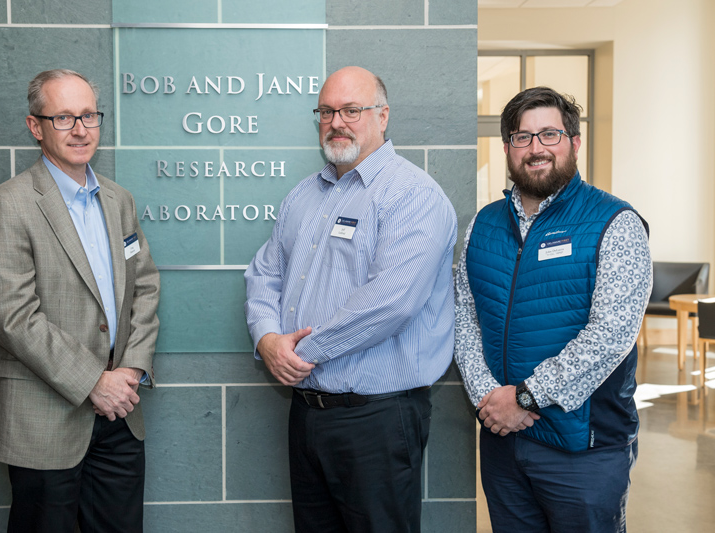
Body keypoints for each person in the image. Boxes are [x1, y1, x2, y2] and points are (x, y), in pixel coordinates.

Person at [244, 66, 457, 533]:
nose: (336, 121)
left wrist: (298, 353)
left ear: (382, 116)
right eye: (326, 111)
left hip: (377, 421)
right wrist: (267, 341)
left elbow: (391, 303)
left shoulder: (413, 196)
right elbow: (263, 274)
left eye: (351, 110)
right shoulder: (304, 195)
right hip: (307, 415)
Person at [454, 86, 652, 532]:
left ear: (574, 143)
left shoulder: (614, 223)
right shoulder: (483, 226)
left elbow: (611, 335)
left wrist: (525, 396)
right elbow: (465, 317)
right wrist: (491, 399)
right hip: (504, 443)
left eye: (549, 134)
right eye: (522, 137)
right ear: (507, 147)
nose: (535, 148)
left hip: (583, 450)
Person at [0, 69, 160, 533]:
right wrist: (94, 381)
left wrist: (130, 371)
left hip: (121, 416)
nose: (81, 129)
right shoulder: (8, 205)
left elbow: (145, 287)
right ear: (35, 127)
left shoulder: (119, 201)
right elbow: (13, 318)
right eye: (63, 118)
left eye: (89, 116)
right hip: (45, 422)